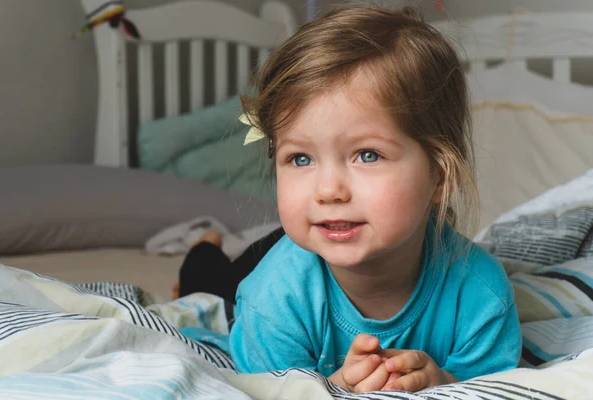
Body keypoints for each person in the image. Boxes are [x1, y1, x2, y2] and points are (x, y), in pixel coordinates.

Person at [187, 4, 522, 394]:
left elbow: (494, 388)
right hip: (266, 260)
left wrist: (444, 382)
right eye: (300, 158)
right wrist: (333, 388)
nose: (329, 191)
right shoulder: (271, 303)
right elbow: (272, 390)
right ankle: (204, 248)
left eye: (367, 155)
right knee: (210, 284)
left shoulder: (481, 296)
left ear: (439, 176)